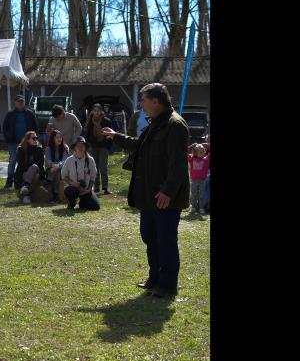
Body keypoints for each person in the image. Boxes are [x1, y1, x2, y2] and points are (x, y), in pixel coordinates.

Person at [102, 82, 190, 298]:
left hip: (165, 197)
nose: (141, 104)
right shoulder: (156, 123)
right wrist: (117, 136)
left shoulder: (174, 125)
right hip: (149, 195)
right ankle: (155, 277)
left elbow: (178, 164)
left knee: (166, 240)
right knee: (150, 236)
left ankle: (168, 285)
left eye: (143, 100)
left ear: (156, 101)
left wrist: (168, 191)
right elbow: (139, 144)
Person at [3, 95, 38, 188]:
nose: (20, 103)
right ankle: (9, 182)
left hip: (26, 143)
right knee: (12, 161)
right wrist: (8, 138)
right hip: (13, 142)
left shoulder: (30, 114)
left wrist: (32, 139)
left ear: (24, 103)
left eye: (22, 101)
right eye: (18, 101)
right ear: (15, 103)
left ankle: (21, 181)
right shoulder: (9, 114)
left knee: (24, 162)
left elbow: (35, 127)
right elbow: (5, 127)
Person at [61, 136, 100, 211]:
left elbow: (93, 177)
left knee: (96, 207)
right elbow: (64, 176)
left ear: (85, 148)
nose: (80, 147)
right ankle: (72, 202)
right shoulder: (69, 160)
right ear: (75, 148)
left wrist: (89, 188)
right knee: (70, 191)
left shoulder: (90, 160)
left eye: (82, 145)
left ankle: (83, 202)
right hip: (73, 188)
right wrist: (72, 183)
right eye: (78, 146)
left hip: (86, 190)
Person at [83, 103, 112, 194]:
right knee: (94, 167)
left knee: (103, 167)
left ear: (101, 111)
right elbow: (87, 134)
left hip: (103, 146)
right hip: (93, 146)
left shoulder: (106, 121)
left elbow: (110, 134)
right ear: (92, 111)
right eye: (95, 111)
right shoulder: (89, 121)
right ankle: (96, 187)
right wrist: (87, 145)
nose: (96, 112)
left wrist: (108, 146)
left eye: (98, 111)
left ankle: (105, 187)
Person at [15, 131, 46, 205]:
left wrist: (30, 166)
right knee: (35, 176)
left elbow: (40, 164)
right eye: (33, 138)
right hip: (24, 172)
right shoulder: (21, 149)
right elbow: (21, 165)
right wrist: (29, 168)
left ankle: (25, 187)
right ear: (27, 140)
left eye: (37, 138)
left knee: (34, 167)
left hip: (37, 170)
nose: (36, 140)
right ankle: (26, 194)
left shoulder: (39, 149)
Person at [44, 130, 69, 202]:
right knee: (56, 172)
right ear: (52, 139)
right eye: (57, 137)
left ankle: (54, 193)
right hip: (51, 169)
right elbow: (47, 162)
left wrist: (58, 165)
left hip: (62, 170)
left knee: (57, 171)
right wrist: (54, 165)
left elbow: (65, 161)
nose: (59, 139)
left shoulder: (65, 148)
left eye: (60, 137)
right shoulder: (48, 149)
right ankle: (55, 193)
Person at [187, 143, 210, 215]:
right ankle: (193, 207)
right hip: (194, 180)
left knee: (201, 195)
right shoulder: (191, 159)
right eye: (200, 152)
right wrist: (192, 145)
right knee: (193, 194)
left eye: (203, 151)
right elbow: (184, 151)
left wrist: (207, 145)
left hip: (202, 180)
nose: (202, 153)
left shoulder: (206, 159)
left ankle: (201, 208)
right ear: (195, 153)